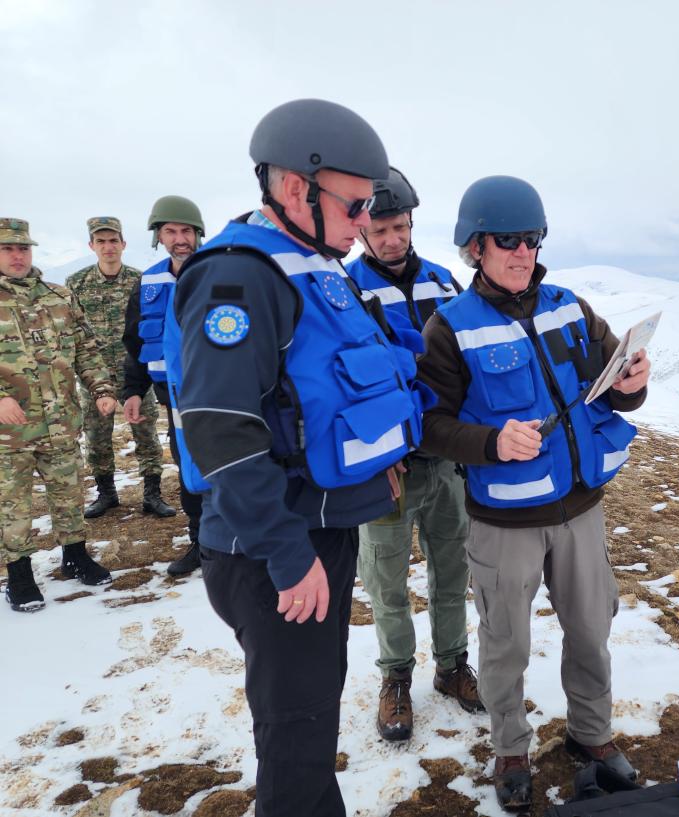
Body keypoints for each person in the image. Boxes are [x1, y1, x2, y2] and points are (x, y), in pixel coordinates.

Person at [167, 98, 432, 817]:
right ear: (294, 189)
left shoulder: (315, 264)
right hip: (271, 550)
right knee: (294, 741)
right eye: (353, 206)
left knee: (309, 726)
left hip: (316, 531)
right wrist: (286, 554)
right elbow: (220, 428)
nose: (363, 224)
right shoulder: (240, 278)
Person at [416, 175, 651, 811]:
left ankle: (592, 737)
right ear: (474, 248)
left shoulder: (571, 307)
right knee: (506, 643)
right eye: (507, 240)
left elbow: (615, 387)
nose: (523, 251)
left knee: (589, 629)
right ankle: (512, 748)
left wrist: (633, 381)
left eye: (532, 239)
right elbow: (430, 426)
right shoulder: (451, 328)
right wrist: (492, 443)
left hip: (581, 510)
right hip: (504, 523)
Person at [344, 167, 480, 742]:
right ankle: (396, 678)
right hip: (388, 469)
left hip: (445, 462)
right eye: (381, 229)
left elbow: (469, 368)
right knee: (386, 581)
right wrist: (376, 454)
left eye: (400, 226)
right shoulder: (344, 289)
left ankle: (452, 666)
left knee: (453, 572)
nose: (393, 239)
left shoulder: (446, 284)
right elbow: (344, 381)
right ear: (361, 232)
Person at [1, 218, 116, 613]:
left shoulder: (59, 297)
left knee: (68, 493)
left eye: (23, 249)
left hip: (62, 421)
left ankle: (75, 556)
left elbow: (86, 348)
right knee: (13, 505)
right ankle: (19, 575)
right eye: (8, 249)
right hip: (9, 432)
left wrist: (102, 389)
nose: (17, 256)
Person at [67, 217, 174, 519]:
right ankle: (107, 494)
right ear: (92, 246)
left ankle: (152, 494)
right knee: (98, 437)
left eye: (113, 240)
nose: (108, 247)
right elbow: (73, 332)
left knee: (145, 431)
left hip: (136, 373)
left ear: (123, 244)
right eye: (101, 241)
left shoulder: (141, 281)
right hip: (94, 376)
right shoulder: (76, 284)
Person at [121, 196, 205, 575]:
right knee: (189, 467)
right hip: (170, 395)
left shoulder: (217, 272)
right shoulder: (149, 280)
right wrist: (133, 390)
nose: (179, 238)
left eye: (186, 230)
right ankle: (202, 542)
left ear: (198, 234)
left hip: (219, 391)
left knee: (231, 462)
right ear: (159, 237)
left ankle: (240, 540)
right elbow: (135, 340)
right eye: (170, 231)